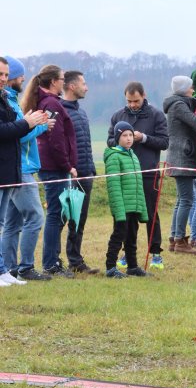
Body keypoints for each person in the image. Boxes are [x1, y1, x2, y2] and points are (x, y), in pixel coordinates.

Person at [22, 64, 78, 277]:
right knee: (55, 214)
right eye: (62, 79)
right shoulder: (51, 103)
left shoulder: (46, 101)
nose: (63, 82)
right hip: (54, 167)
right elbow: (56, 140)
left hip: (51, 165)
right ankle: (50, 263)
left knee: (57, 213)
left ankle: (53, 259)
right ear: (54, 81)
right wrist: (67, 165)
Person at [108, 81, 169, 270]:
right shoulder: (118, 116)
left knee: (151, 214)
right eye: (129, 101)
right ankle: (128, 253)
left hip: (148, 173)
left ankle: (156, 253)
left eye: (136, 101)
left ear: (144, 96)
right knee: (129, 216)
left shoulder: (156, 115)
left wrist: (144, 138)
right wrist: (122, 140)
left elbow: (164, 142)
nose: (132, 105)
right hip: (125, 175)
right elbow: (110, 140)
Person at [0, 56, 51, 281]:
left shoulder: (7, 100)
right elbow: (14, 133)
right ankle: (25, 267)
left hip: (13, 168)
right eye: (2, 74)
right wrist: (36, 125)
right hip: (19, 168)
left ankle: (7, 269)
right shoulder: (8, 102)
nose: (5, 78)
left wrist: (31, 124)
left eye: (6, 74)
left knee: (10, 223)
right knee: (35, 217)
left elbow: (16, 129)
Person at [164, 76, 196, 254]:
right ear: (184, 89)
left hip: (179, 157)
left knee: (181, 200)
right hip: (182, 157)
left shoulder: (178, 104)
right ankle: (179, 241)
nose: (193, 90)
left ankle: (174, 238)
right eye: (191, 87)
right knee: (186, 200)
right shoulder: (178, 105)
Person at [61, 70, 97, 273]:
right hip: (69, 176)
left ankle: (75, 261)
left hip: (85, 174)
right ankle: (52, 262)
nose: (87, 87)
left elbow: (85, 144)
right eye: (83, 83)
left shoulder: (81, 112)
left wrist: (90, 169)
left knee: (79, 221)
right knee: (61, 220)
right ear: (72, 86)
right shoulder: (60, 111)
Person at [103, 122, 149, 278]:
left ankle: (132, 266)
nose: (129, 138)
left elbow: (138, 185)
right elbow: (114, 186)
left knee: (132, 237)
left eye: (130, 135)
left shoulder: (133, 155)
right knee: (119, 235)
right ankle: (110, 267)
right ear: (117, 138)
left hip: (134, 205)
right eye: (124, 135)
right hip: (122, 206)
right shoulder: (114, 157)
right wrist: (119, 210)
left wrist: (141, 206)